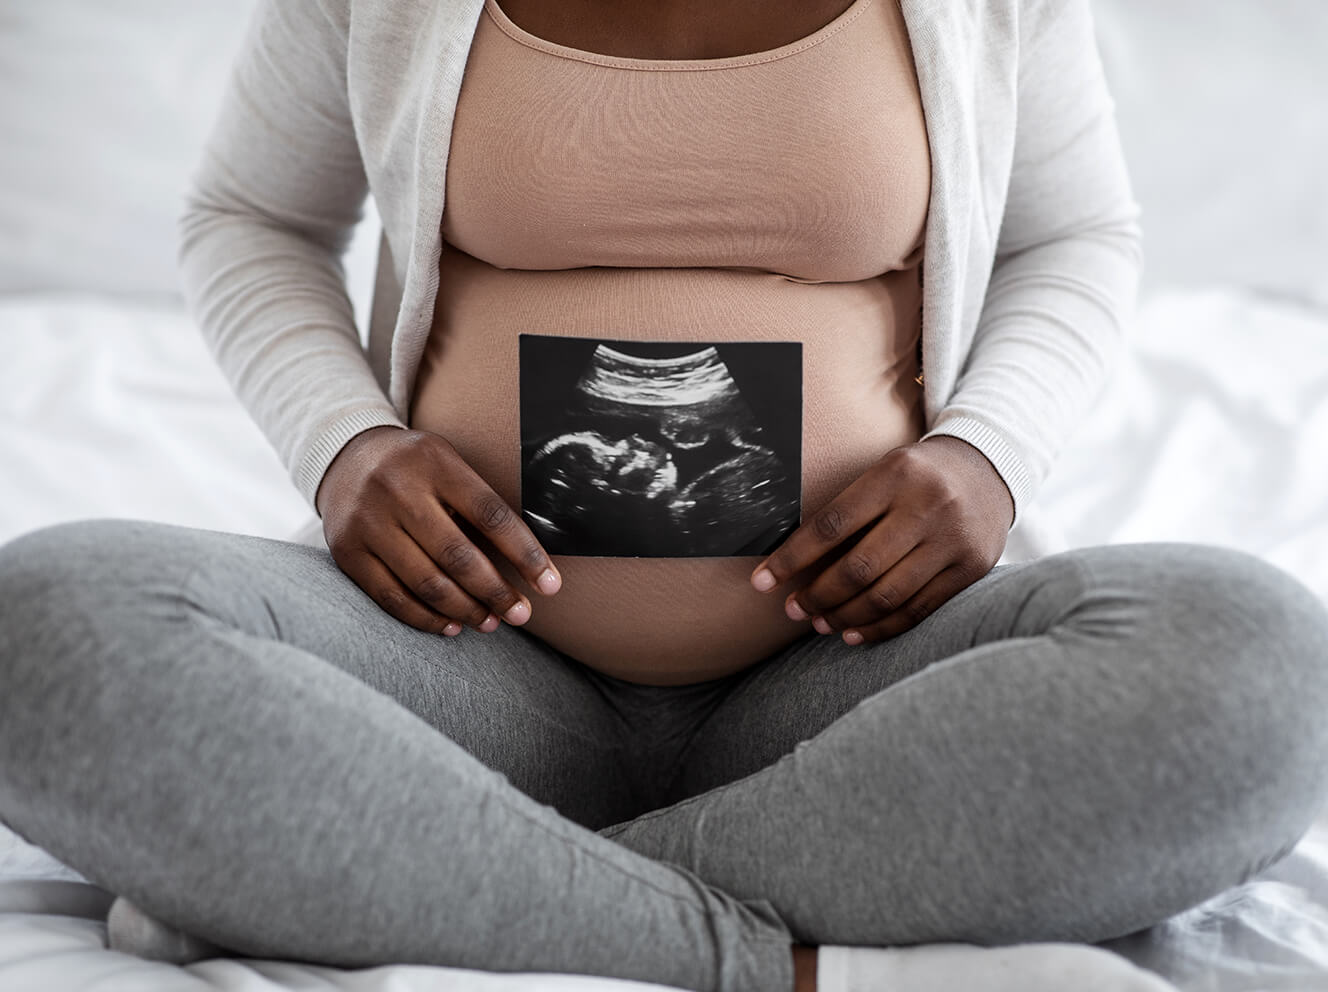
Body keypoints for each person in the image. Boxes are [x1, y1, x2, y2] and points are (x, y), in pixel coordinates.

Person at [1, 0, 1326, 990]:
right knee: (45, 625)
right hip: (458, 665)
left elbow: (1076, 236)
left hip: (849, 687)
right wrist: (345, 447)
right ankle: (762, 958)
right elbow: (249, 215)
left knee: (1263, 667)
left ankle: (422, 875)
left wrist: (987, 453)